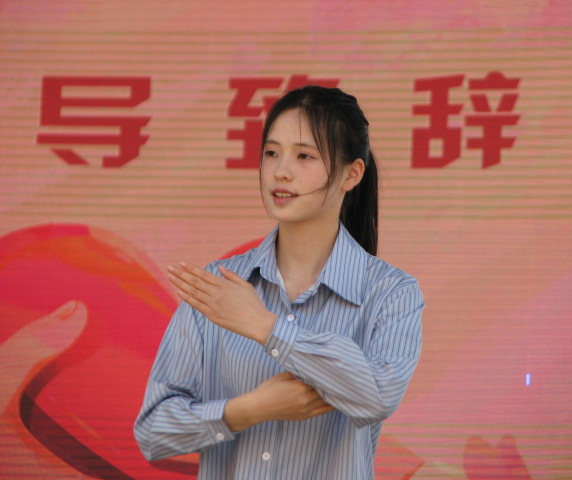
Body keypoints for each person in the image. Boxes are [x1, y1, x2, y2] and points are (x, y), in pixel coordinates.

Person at [134, 85, 424, 479]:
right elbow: (153, 432)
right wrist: (247, 410)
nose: (280, 171)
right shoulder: (219, 285)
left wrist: (266, 328)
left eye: (304, 156)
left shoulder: (391, 293)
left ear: (352, 173)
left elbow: (377, 395)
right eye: (271, 153)